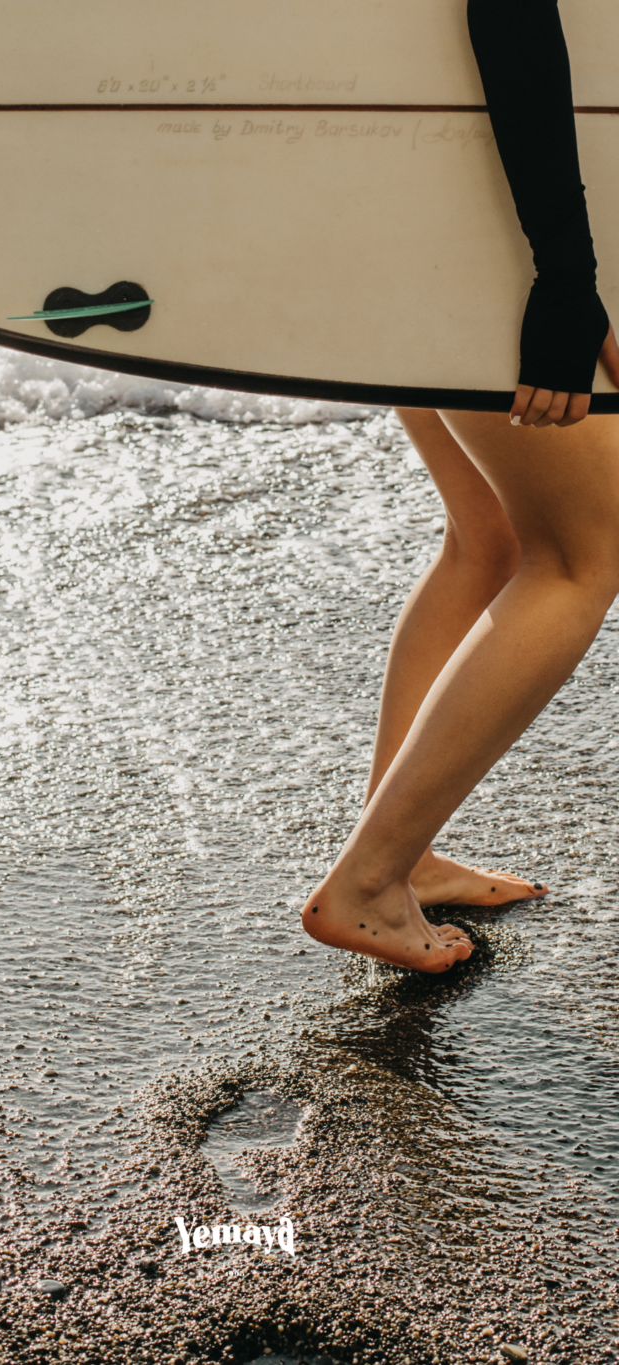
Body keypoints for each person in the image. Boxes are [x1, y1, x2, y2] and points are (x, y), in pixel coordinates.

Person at [302, 0, 619, 971]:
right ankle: (366, 883)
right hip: (489, 235)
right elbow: (512, 8)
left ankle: (403, 860)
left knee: (490, 537)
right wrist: (565, 275)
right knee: (582, 557)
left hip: (398, 204)